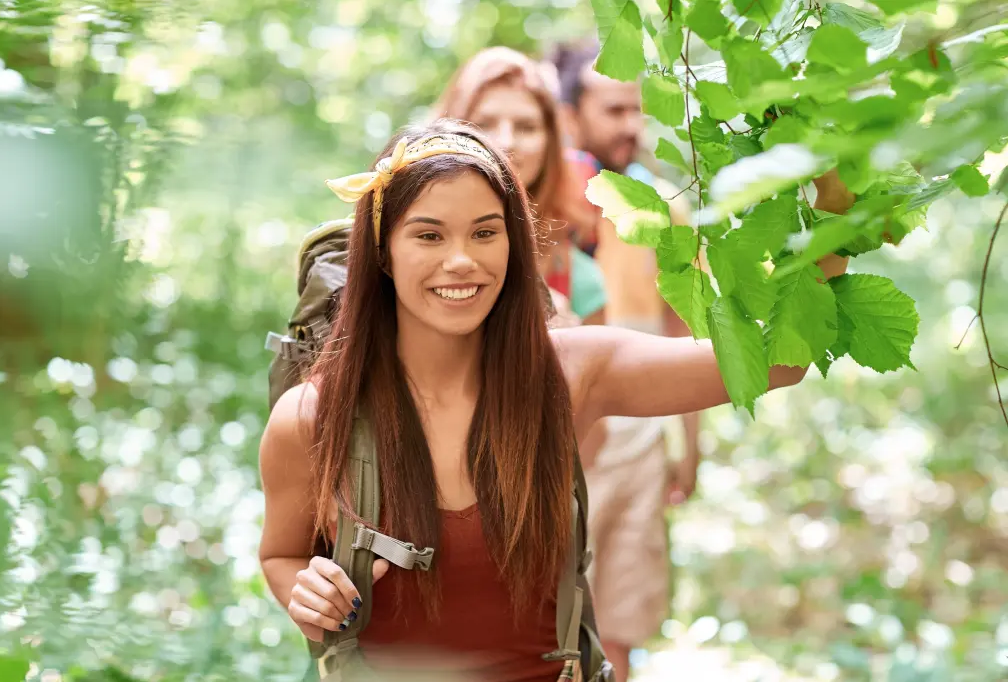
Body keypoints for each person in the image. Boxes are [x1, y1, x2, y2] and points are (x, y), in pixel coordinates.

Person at [258, 119, 851, 682]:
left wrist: (837, 191)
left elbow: (778, 360)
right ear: (382, 250)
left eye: (485, 232)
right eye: (429, 235)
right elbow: (281, 555)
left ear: (514, 245)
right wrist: (304, 592)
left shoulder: (570, 373)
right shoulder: (311, 419)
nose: (461, 260)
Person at [548, 40, 702, 680]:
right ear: (572, 111)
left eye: (637, 109)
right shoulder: (541, 205)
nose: (630, 125)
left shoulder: (664, 206)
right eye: (613, 108)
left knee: (620, 620)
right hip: (553, 434)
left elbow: (686, 326)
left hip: (637, 437)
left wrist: (689, 443)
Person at [433, 46, 606, 326]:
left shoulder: (579, 277)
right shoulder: (397, 237)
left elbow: (604, 366)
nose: (506, 142)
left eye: (526, 127)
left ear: (551, 143)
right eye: (484, 123)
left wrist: (569, 344)